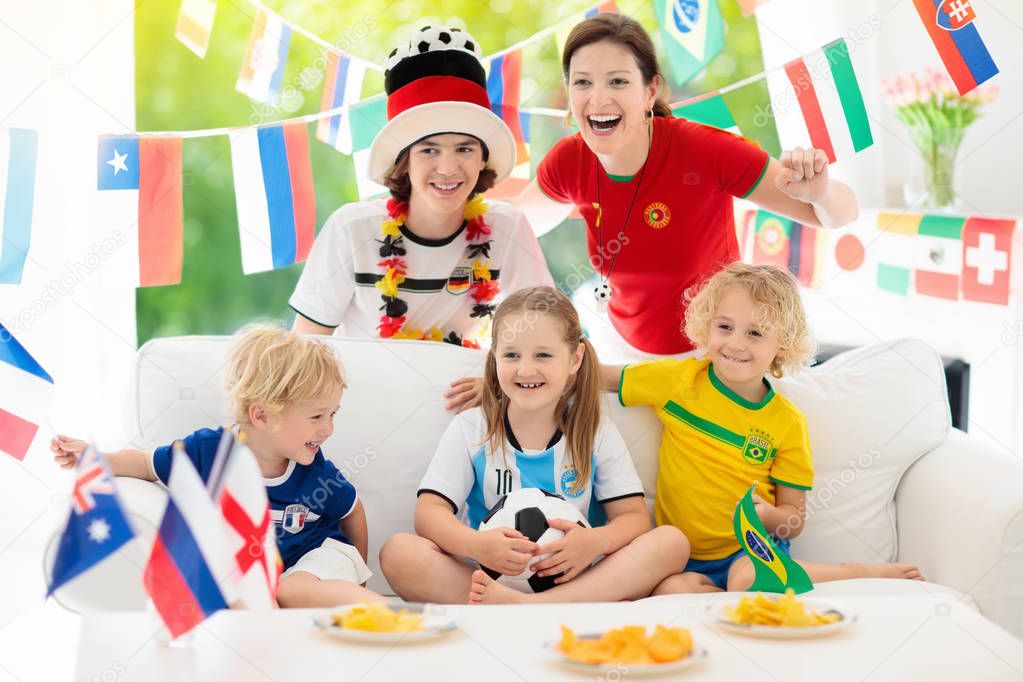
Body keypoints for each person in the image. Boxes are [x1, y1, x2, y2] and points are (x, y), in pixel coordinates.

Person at [516, 14, 859, 363]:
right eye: (583, 83)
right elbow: (510, 225)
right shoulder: (570, 160)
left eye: (617, 82)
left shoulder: (703, 150)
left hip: (714, 357)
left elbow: (841, 213)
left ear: (650, 91)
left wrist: (819, 193)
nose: (598, 98)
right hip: (622, 354)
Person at [604, 263, 923, 592]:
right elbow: (602, 376)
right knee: (670, 591)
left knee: (745, 578)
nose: (736, 344)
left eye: (755, 333)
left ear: (781, 345)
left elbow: (794, 519)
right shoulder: (677, 380)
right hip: (686, 554)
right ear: (707, 326)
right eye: (725, 327)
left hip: (751, 549)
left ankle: (853, 573)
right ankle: (734, 601)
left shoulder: (786, 423)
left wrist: (770, 515)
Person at [288, 26, 553, 412]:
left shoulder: (507, 227)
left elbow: (551, 339)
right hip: (364, 413)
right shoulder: (351, 229)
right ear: (404, 160)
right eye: (429, 150)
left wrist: (499, 382)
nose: (448, 168)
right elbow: (301, 354)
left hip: (465, 418)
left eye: (464, 148)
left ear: (482, 160)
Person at [379, 286, 690, 604]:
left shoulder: (596, 431)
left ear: (575, 359)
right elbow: (429, 512)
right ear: (495, 357)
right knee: (399, 553)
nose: (526, 370)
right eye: (512, 355)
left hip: (577, 579)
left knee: (671, 542)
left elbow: (633, 517)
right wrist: (477, 545)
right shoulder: (472, 428)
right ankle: (510, 603)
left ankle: (535, 606)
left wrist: (595, 542)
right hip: (488, 581)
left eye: (543, 355)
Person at [50, 325, 384, 607]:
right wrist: (95, 458)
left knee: (288, 590)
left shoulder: (316, 474)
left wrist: (358, 568)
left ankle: (384, 613)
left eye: (332, 415)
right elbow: (146, 464)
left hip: (321, 558)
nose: (328, 429)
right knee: (246, 595)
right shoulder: (209, 451)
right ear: (262, 415)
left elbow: (352, 510)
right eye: (316, 417)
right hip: (264, 574)